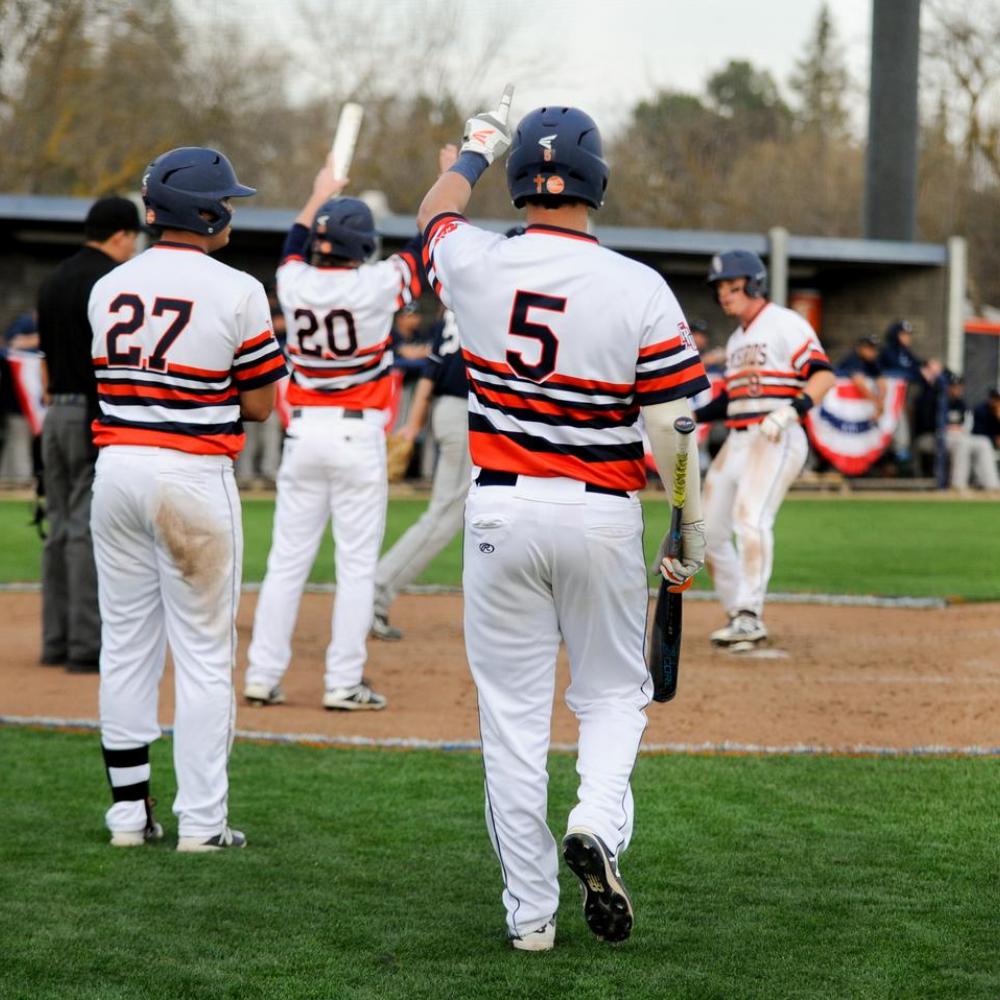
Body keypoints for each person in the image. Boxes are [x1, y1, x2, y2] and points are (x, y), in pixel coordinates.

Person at [417, 93, 710, 951]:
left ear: (517, 181)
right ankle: (595, 823)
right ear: (598, 180)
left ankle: (530, 918)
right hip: (601, 515)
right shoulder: (640, 288)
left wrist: (469, 148)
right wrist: (686, 525)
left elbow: (435, 212)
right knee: (616, 696)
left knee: (510, 721)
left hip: (499, 508)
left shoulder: (471, 260)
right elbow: (676, 428)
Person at [88, 147, 286, 850]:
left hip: (115, 470)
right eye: (225, 201)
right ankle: (202, 824)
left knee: (126, 645)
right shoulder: (236, 288)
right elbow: (261, 406)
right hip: (190, 474)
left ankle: (126, 816)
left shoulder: (109, 285)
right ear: (206, 212)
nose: (232, 210)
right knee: (204, 655)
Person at [243, 158, 424, 711]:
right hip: (356, 435)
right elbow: (427, 246)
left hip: (303, 436)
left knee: (285, 564)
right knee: (354, 568)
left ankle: (260, 674)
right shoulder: (375, 282)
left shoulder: (291, 280)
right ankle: (342, 682)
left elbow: (293, 243)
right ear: (362, 245)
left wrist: (317, 193)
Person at [695, 250, 834, 648]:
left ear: (754, 284)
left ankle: (749, 614)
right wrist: (692, 417)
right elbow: (732, 400)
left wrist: (792, 411)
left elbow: (823, 375)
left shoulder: (785, 322)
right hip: (740, 437)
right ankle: (737, 611)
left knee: (750, 518)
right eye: (719, 287)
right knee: (708, 531)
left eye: (732, 285)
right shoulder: (738, 338)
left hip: (775, 434)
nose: (724, 294)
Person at [36, 197, 142, 671]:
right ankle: (84, 645)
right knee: (82, 527)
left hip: (54, 411)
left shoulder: (54, 279)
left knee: (58, 526)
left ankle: (54, 640)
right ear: (120, 234)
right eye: (134, 237)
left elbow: (42, 360)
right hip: (88, 412)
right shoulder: (108, 281)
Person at [370, 304, 470, 640]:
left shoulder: (456, 306)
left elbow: (430, 369)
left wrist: (414, 423)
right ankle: (373, 596)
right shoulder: (490, 297)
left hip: (454, 411)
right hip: (467, 414)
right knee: (444, 517)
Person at [914, 372, 999, 490]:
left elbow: (966, 425)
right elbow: (925, 424)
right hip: (931, 437)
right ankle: (958, 485)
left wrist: (959, 429)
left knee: (983, 442)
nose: (957, 389)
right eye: (953, 386)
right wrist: (946, 427)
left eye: (959, 387)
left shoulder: (960, 403)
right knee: (962, 443)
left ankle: (993, 485)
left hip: (956, 437)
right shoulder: (932, 400)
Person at [836, 335, 886, 417]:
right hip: (841, 405)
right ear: (861, 348)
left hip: (859, 408)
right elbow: (859, 382)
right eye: (870, 348)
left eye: (874, 348)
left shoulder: (872, 361)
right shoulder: (853, 359)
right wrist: (877, 403)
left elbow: (882, 381)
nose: (874, 352)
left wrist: (881, 401)